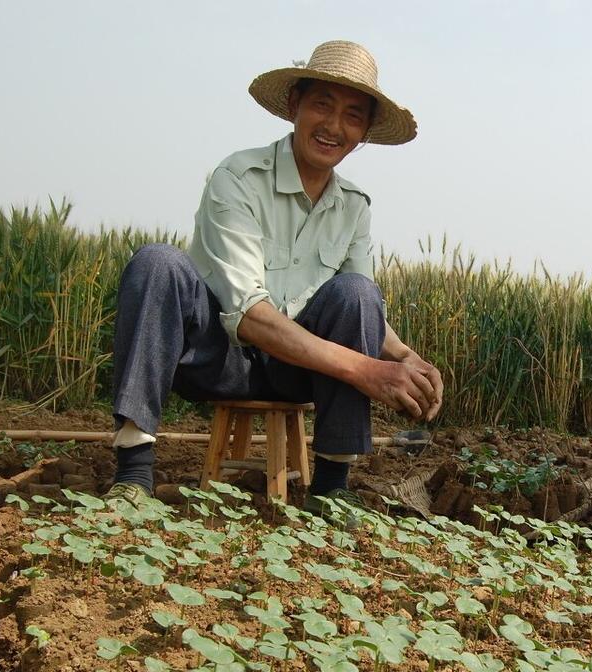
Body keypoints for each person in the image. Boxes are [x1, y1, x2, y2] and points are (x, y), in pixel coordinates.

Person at [107, 40, 443, 511]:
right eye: (321, 105)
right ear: (294, 106)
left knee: (358, 291)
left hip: (299, 371)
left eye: (352, 115)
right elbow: (247, 316)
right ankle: (134, 471)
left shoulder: (354, 207)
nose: (333, 126)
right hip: (220, 359)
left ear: (363, 131)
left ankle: (331, 489)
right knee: (157, 262)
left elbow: (361, 306)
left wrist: (406, 356)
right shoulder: (239, 177)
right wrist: (367, 370)